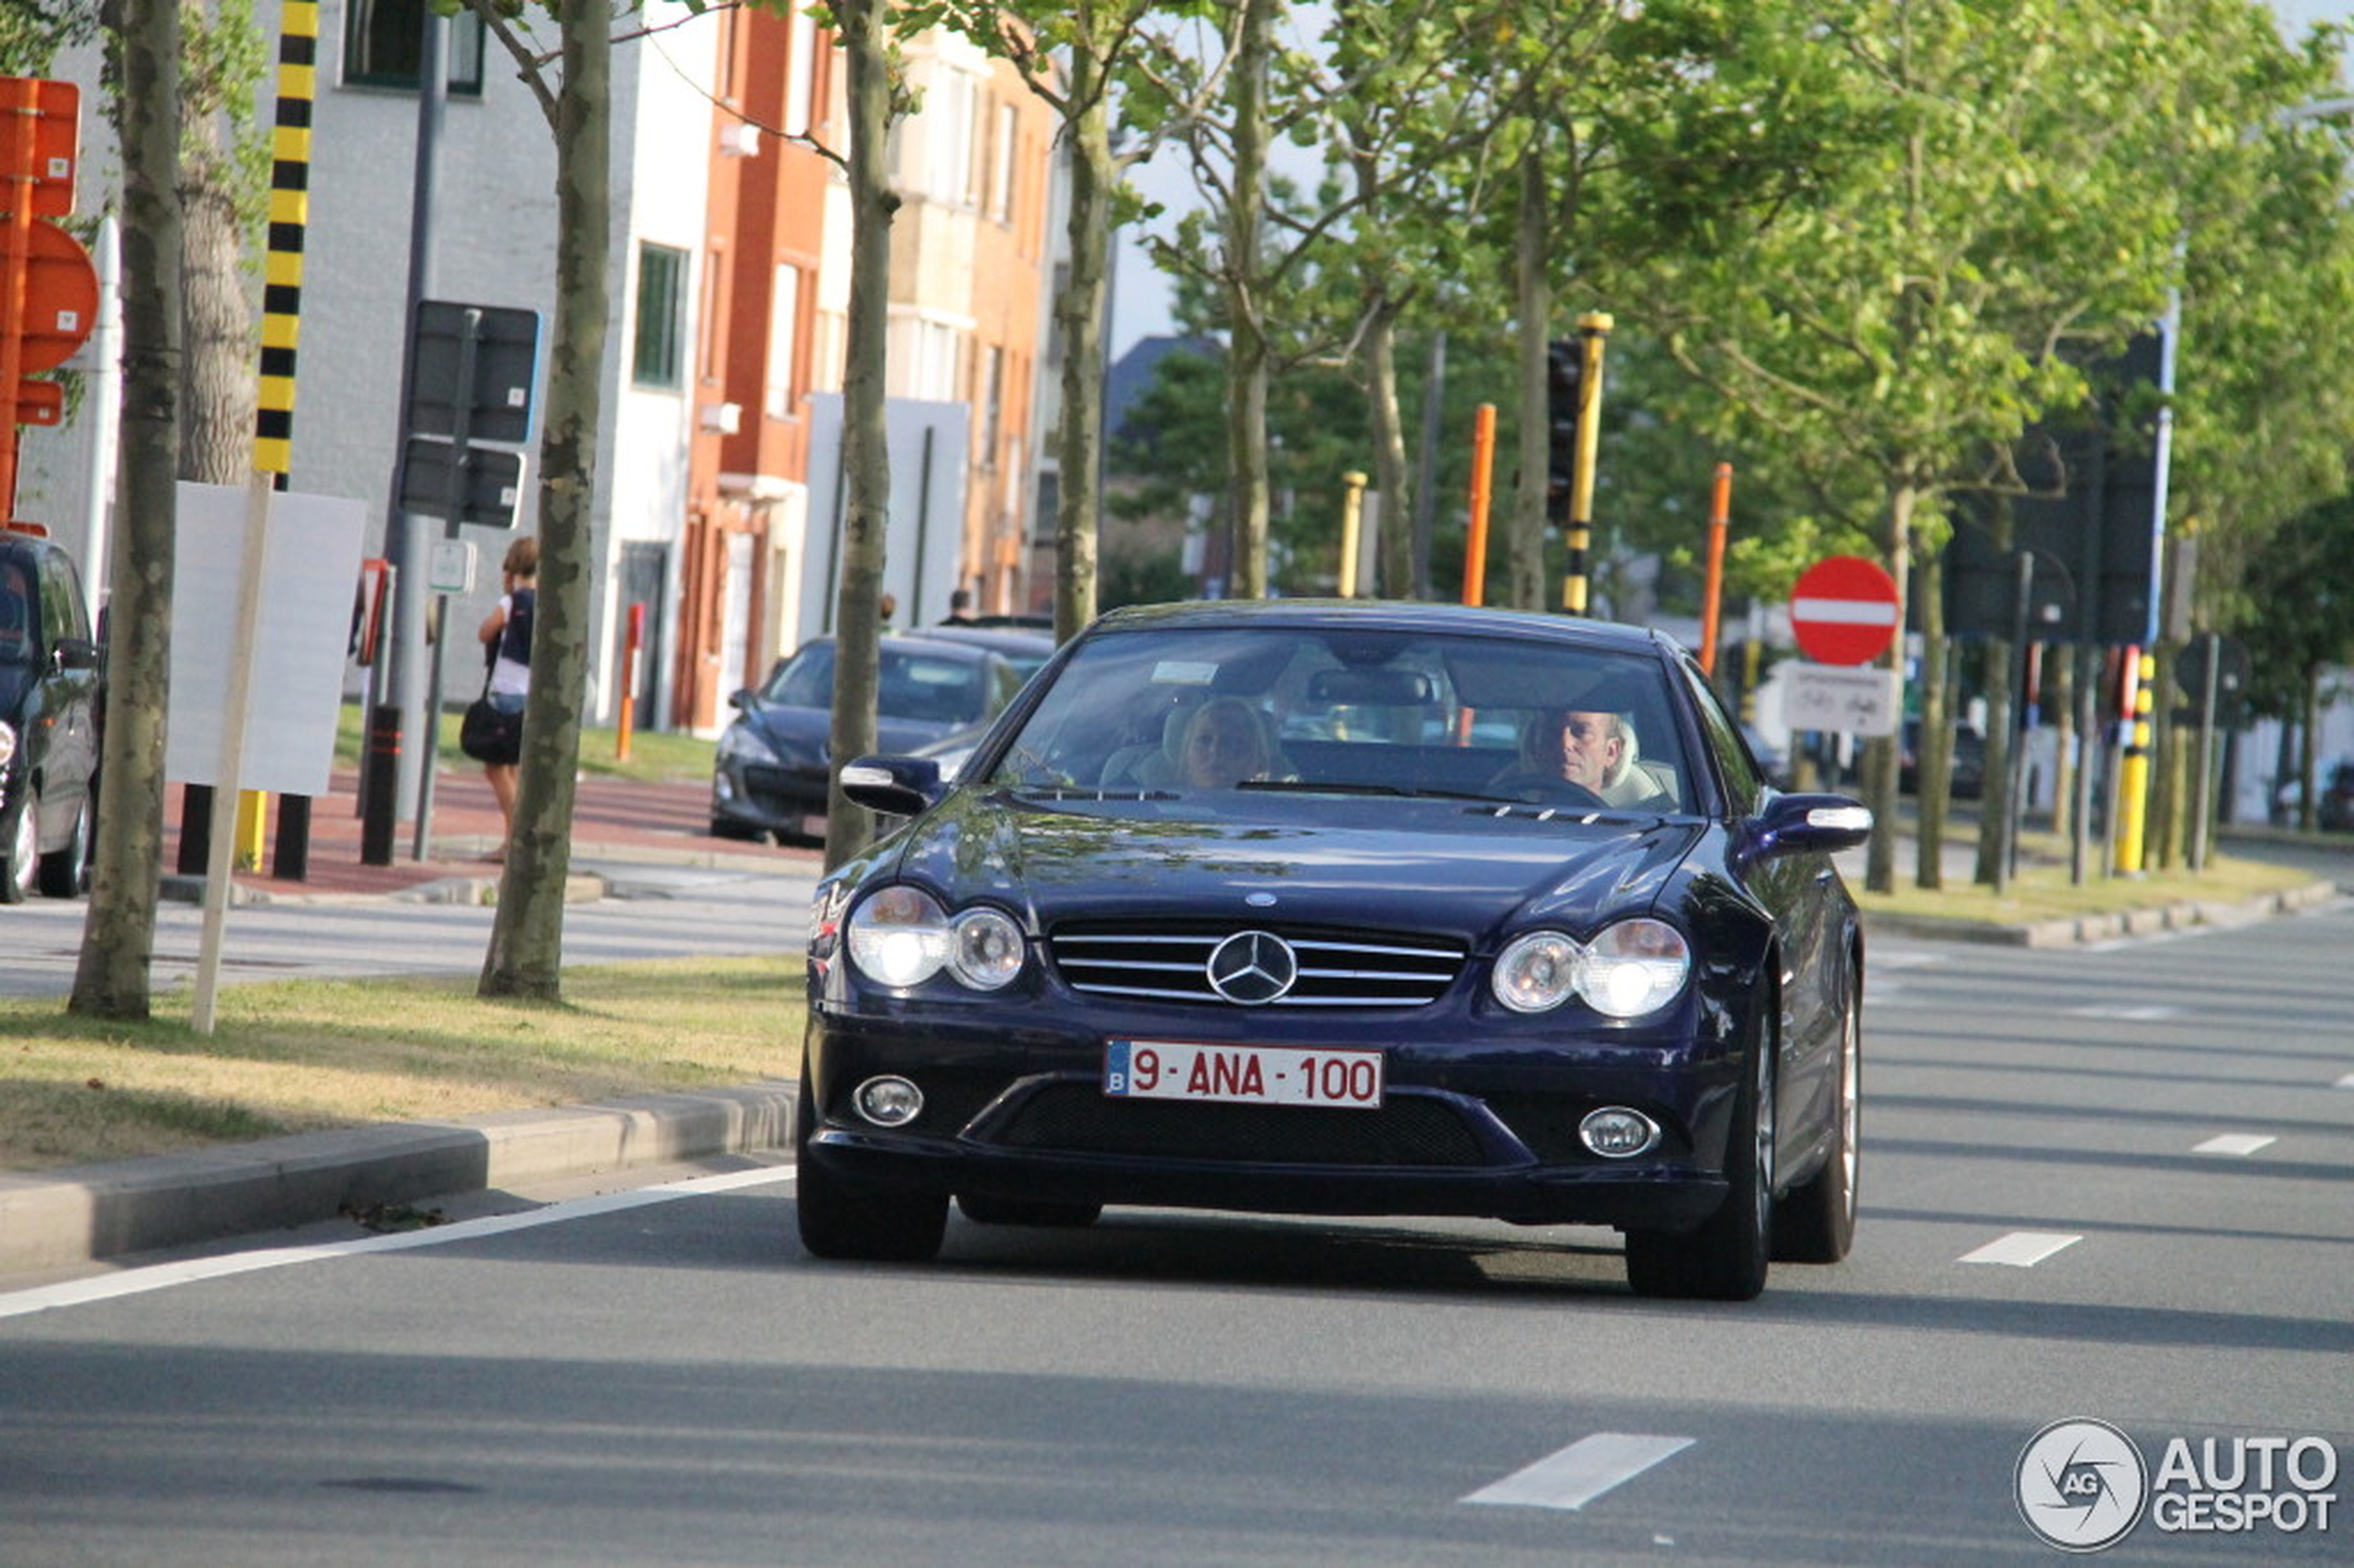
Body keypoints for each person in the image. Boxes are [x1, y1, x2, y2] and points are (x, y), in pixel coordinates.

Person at [476, 535, 538, 857]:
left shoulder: (512, 602)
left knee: (496, 768)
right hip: (533, 694)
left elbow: (485, 632)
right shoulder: (546, 602)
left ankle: (515, 836)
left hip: (507, 692)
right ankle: (514, 838)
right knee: (515, 769)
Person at [1496, 707, 1670, 807]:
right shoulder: (1494, 817)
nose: (1564, 743)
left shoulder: (1639, 837)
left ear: (1611, 752)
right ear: (1535, 746)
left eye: (1581, 732)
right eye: (1552, 731)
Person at [1179, 697, 1275, 789]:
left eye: (1230, 742)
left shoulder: (1280, 803)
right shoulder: (1167, 802)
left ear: (1257, 760)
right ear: (1186, 755)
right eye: (1204, 740)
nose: (1215, 750)